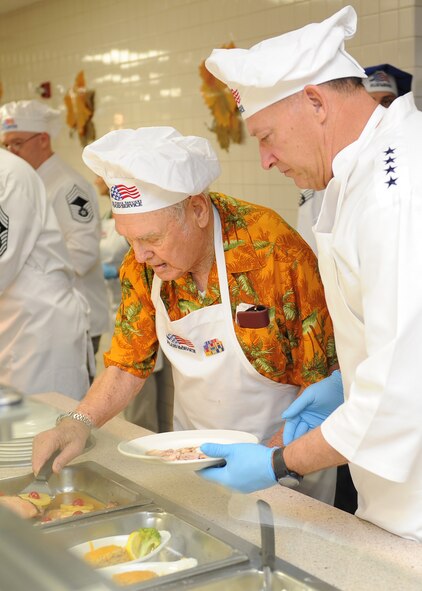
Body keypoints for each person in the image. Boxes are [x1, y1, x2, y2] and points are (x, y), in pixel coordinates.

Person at [202, 5, 422, 541]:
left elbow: (402, 392)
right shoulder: (368, 170)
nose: (266, 160)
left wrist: (279, 462)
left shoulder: (393, 191)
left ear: (316, 102)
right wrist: (347, 381)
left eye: (266, 135)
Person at [32, 126, 338, 504]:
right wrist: (77, 423)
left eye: (151, 239)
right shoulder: (143, 265)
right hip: (193, 460)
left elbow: (322, 380)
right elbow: (128, 362)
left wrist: (272, 460)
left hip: (286, 464)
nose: (140, 255)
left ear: (196, 210)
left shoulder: (273, 252)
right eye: (130, 240)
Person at [0, 100, 109, 369]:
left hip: (71, 317)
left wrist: (28, 280)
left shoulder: (68, 186)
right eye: (6, 145)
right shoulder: (22, 183)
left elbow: (83, 252)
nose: (11, 151)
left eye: (17, 143)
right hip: (37, 319)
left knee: (67, 402)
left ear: (43, 140)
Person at [0, 149, 90, 399]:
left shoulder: (8, 175)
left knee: (46, 421)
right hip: (11, 321)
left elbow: (3, 259)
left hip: (36, 326)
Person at [297, 63, 413, 254]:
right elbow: (309, 245)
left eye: (387, 102)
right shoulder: (326, 169)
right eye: (371, 101)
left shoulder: (408, 159)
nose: (379, 110)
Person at [95, 174, 163, 432]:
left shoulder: (141, 219)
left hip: (141, 321)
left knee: (138, 414)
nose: (95, 181)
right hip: (113, 313)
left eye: (99, 176)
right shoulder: (107, 217)